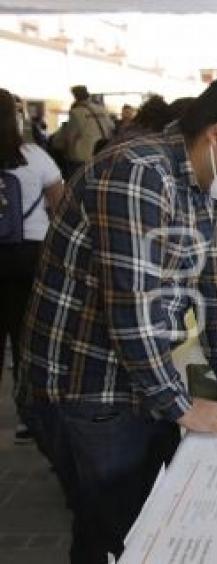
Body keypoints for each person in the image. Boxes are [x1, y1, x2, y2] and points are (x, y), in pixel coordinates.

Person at [18, 77, 217, 564]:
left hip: (133, 384)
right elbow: (133, 309)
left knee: (141, 518)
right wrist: (181, 406)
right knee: (121, 533)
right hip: (85, 389)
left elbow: (214, 284)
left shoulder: (201, 183)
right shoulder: (136, 173)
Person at [0, 89, 64, 444]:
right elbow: (60, 203)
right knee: (27, 339)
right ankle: (28, 417)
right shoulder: (34, 157)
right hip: (30, 255)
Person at [58, 85, 114, 177]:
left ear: (75, 96)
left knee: (77, 180)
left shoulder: (76, 112)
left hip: (83, 156)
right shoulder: (101, 109)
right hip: (103, 152)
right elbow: (111, 127)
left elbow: (70, 136)